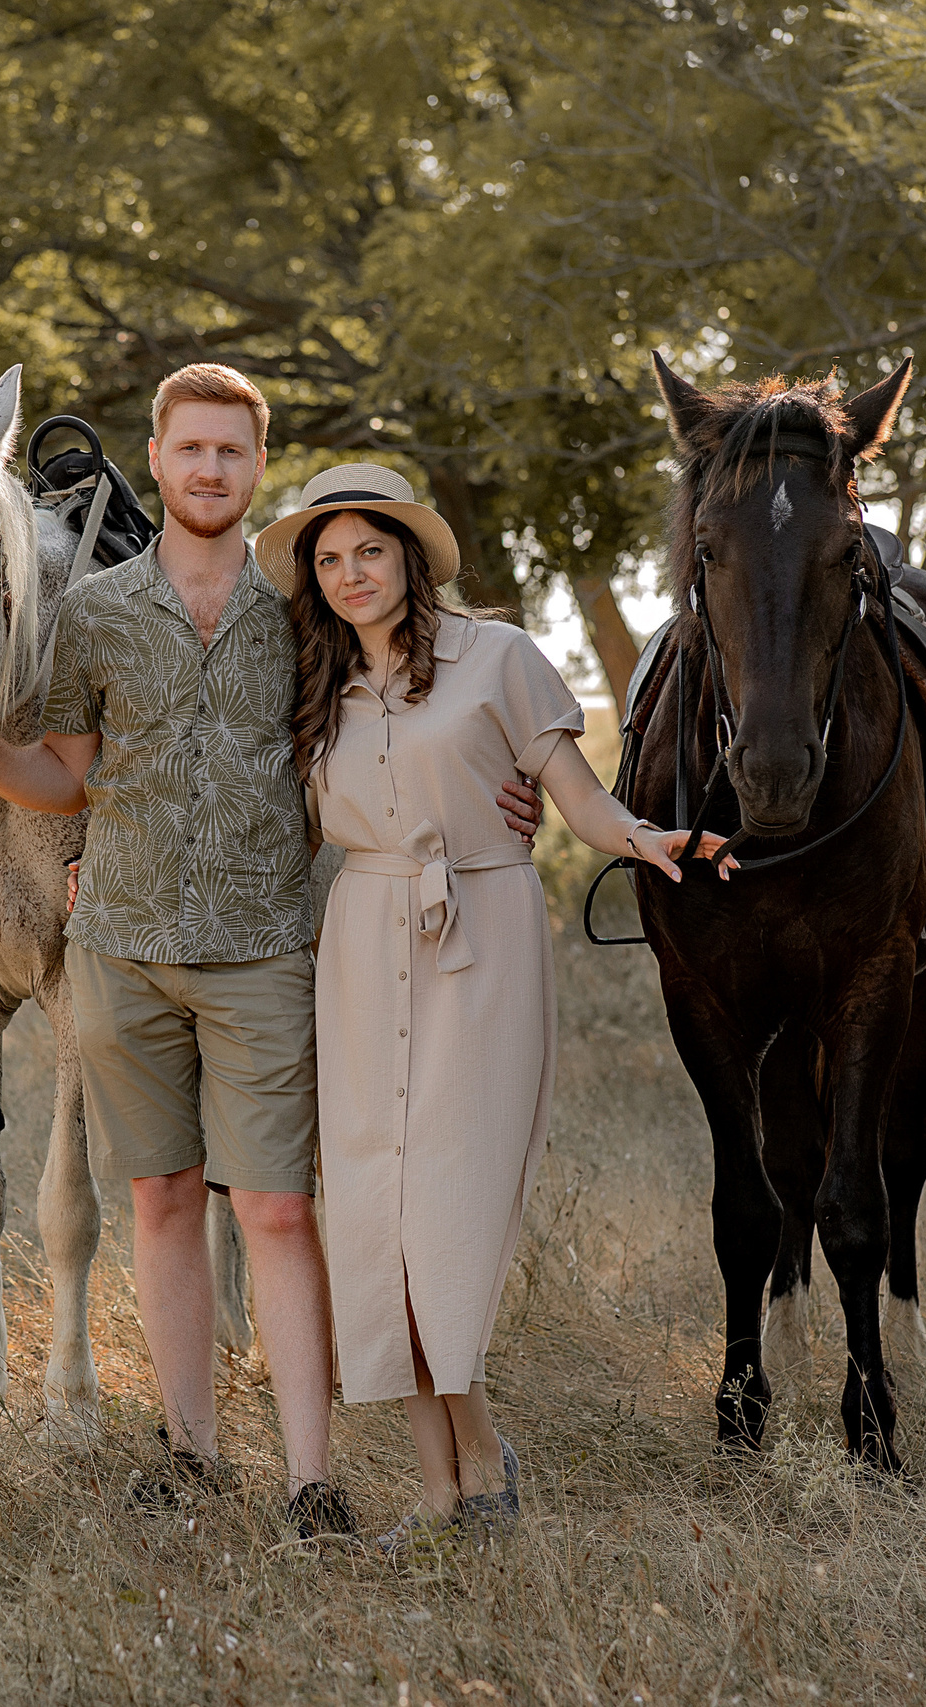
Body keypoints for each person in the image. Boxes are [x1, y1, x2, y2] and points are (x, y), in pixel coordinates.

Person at [0, 367, 539, 1543]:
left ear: (255, 469)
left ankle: (310, 1479)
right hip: (120, 950)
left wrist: (500, 793)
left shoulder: (305, 612)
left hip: (267, 952)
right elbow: (66, 775)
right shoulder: (97, 615)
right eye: (189, 449)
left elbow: (412, 710)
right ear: (155, 460)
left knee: (272, 1211)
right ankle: (191, 1453)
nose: (209, 469)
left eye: (231, 452)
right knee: (161, 1198)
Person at [254, 462, 730, 1552]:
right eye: (326, 561)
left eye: (367, 551)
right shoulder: (313, 683)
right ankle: (454, 1486)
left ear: (410, 557)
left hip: (479, 939)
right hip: (363, 949)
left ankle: (478, 1474)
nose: (348, 575)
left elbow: (579, 801)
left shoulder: (499, 658)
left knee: (447, 1225)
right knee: (377, 1225)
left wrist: (649, 841)